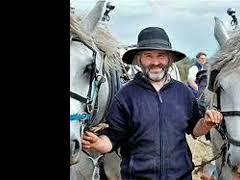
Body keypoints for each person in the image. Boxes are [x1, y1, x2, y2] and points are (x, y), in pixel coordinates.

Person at [81, 27, 223, 179]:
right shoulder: (125, 95)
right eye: (148, 56)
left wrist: (206, 123)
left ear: (169, 59)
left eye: (161, 55)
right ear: (139, 60)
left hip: (181, 176)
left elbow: (195, 129)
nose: (155, 62)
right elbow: (112, 138)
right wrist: (98, 143)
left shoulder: (183, 92)